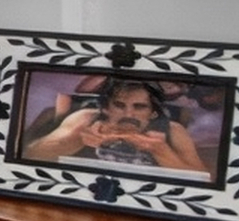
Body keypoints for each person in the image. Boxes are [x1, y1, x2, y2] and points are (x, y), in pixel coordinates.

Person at [18, 75, 213, 178]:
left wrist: (160, 150)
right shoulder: (86, 118)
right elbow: (30, 153)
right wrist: (75, 139)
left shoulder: (171, 129)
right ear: (106, 109)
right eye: (119, 106)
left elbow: (204, 179)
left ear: (153, 113)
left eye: (139, 107)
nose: (129, 114)